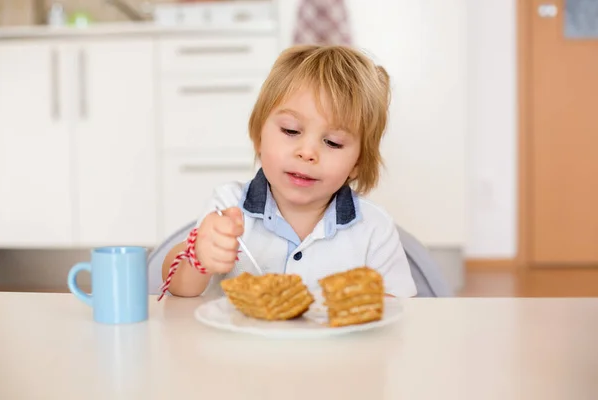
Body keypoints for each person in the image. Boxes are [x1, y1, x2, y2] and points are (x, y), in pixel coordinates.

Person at [161, 44, 417, 298]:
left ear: (358, 163)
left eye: (333, 142)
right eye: (291, 131)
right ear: (259, 136)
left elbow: (397, 312)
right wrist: (198, 256)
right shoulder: (228, 207)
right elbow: (178, 287)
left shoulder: (374, 229)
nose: (307, 153)